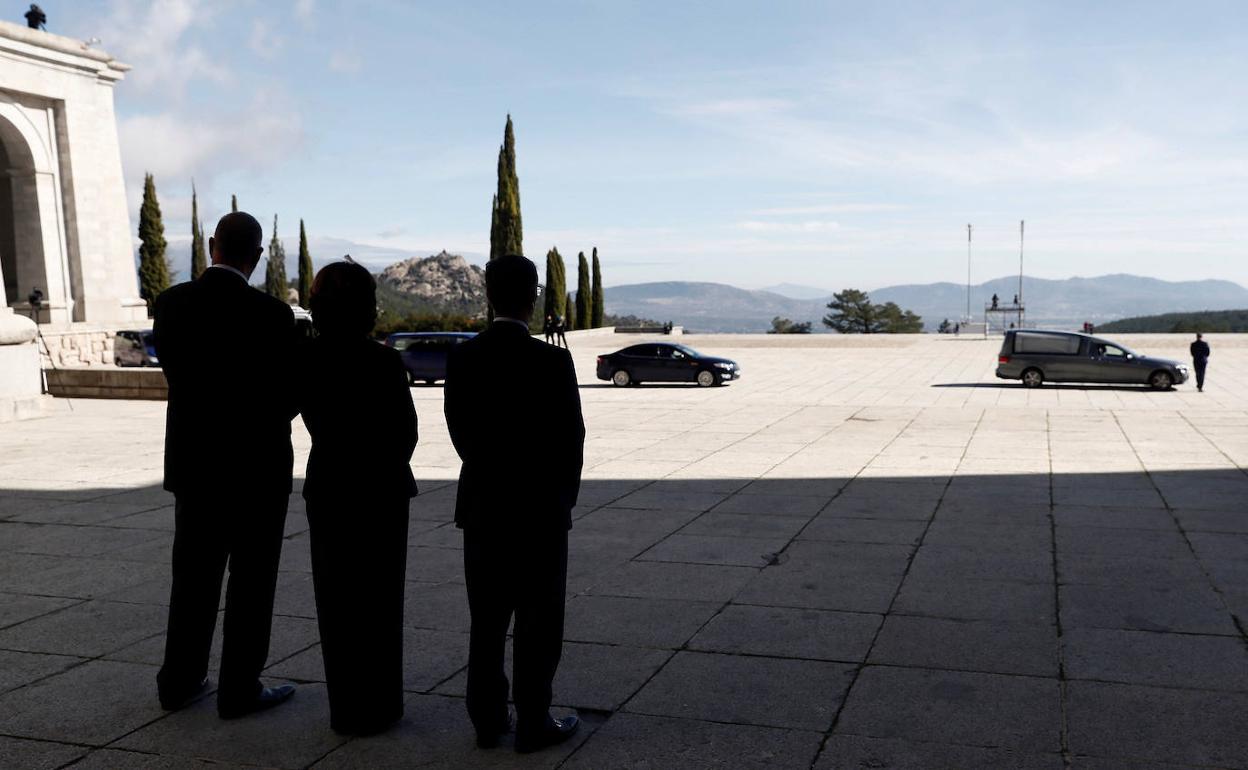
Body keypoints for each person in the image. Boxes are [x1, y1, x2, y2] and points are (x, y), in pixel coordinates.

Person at [153, 212, 297, 719]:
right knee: (252, 583)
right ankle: (239, 688)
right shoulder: (274, 316)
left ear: (211, 245)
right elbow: (289, 395)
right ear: (256, 257)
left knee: (192, 578)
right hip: (257, 470)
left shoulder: (171, 305)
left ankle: (179, 681)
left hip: (196, 467)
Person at [444, 254, 585, 754]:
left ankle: (486, 721)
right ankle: (533, 721)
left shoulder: (462, 358)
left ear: (488, 295)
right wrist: (561, 501)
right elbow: (572, 442)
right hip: (541, 515)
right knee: (539, 625)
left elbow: (460, 435)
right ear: (534, 297)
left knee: (486, 623)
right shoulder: (552, 362)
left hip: (483, 510)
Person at [298, 261, 418, 734]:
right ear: (366, 309)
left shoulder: (304, 358)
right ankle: (382, 704)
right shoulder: (383, 362)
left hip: (328, 487)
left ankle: (345, 709)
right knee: (381, 603)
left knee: (336, 603)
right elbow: (405, 433)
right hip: (381, 493)